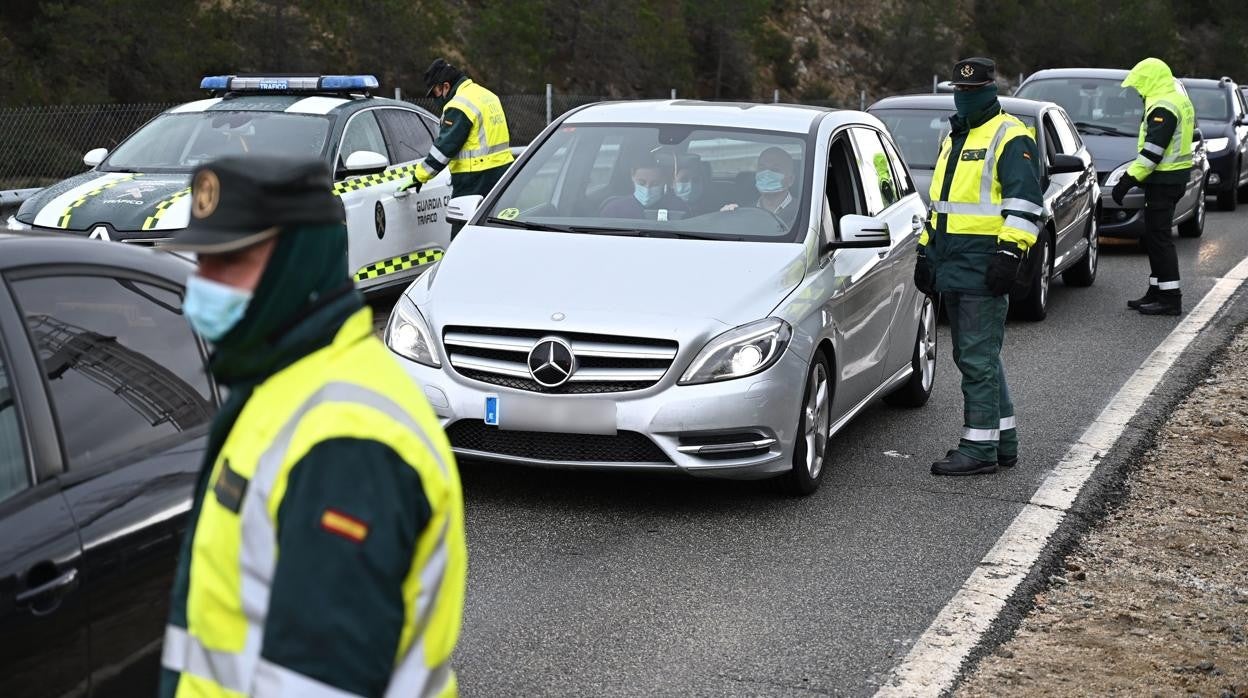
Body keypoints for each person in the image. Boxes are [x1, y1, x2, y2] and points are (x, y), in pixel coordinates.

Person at [158, 156, 466, 698]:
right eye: (203, 260)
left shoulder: (348, 440)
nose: (202, 284)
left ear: (297, 263)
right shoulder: (283, 381)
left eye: (231, 261)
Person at [913, 57, 1044, 476]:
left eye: (972, 90)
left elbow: (1025, 205)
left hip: (984, 265)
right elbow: (941, 208)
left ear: (991, 90)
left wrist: (1009, 254)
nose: (964, 96)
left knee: (976, 359)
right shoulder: (953, 138)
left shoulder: (1010, 136)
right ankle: (1003, 442)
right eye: (959, 90)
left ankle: (978, 449)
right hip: (955, 263)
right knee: (982, 356)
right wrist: (924, 252)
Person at [1112, 57, 1195, 316]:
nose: (1137, 91)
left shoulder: (1163, 106)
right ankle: (1157, 290)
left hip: (1164, 179)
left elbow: (1152, 153)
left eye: (1140, 86)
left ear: (1149, 82)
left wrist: (1127, 180)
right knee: (1155, 236)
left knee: (1159, 239)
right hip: (1172, 178)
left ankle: (1170, 298)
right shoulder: (1174, 96)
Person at [401, 58, 514, 238]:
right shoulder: (486, 95)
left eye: (436, 92)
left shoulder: (459, 105)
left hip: (474, 179)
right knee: (494, 231)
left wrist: (419, 176)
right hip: (503, 173)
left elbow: (444, 149)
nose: (436, 98)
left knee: (462, 235)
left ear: (446, 86)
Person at [722, 146, 800, 226]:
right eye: (762, 168)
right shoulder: (744, 212)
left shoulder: (804, 213)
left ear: (791, 180)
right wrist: (725, 219)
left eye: (775, 169)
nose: (766, 174)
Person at [599, 153, 681, 218]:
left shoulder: (678, 209)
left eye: (655, 183)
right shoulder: (614, 209)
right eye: (642, 183)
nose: (647, 188)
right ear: (632, 176)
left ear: (664, 180)